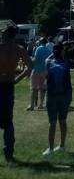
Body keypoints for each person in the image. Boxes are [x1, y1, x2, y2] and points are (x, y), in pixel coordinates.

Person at [0, 25, 32, 162]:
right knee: (8, 121)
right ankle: (9, 152)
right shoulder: (19, 49)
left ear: (6, 34)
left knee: (7, 121)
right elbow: (30, 67)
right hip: (9, 85)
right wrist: (16, 80)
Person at [43, 42, 74, 155]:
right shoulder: (67, 62)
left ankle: (50, 149)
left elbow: (47, 58)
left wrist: (60, 49)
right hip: (66, 95)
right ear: (62, 52)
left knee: (52, 122)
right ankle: (62, 146)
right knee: (63, 121)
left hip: (52, 95)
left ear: (53, 52)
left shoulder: (49, 62)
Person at [28, 37, 51, 111]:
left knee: (33, 89)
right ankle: (41, 105)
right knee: (43, 89)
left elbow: (35, 59)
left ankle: (32, 106)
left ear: (40, 42)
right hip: (45, 71)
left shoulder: (38, 48)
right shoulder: (48, 50)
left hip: (36, 70)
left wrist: (30, 61)